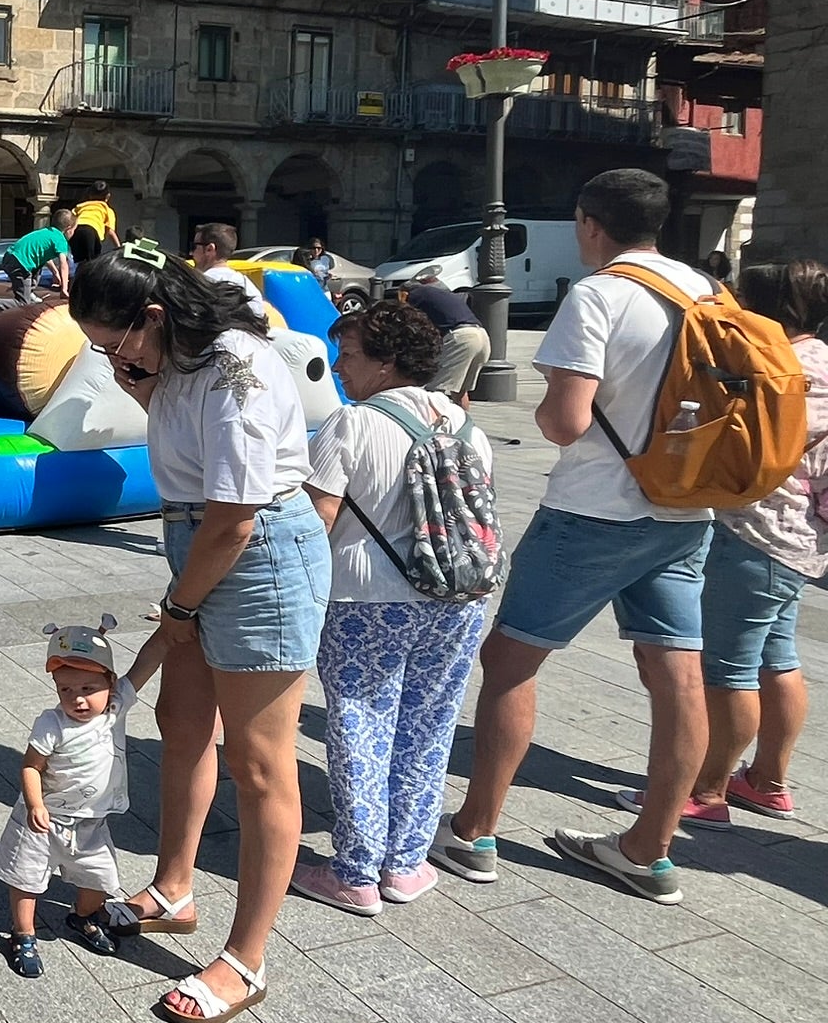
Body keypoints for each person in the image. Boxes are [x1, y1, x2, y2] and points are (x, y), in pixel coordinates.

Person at [437, 168, 715, 907]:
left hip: (597, 509)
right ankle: (649, 850)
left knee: (511, 661)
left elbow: (567, 422)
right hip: (688, 508)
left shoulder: (599, 295)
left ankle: (474, 830)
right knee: (677, 674)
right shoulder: (705, 289)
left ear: (590, 223)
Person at [68, 238, 328, 1023]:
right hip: (203, 544)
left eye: (111, 344)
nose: (108, 358)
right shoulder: (175, 361)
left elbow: (237, 517)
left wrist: (179, 612)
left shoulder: (235, 368)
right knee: (181, 724)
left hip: (257, 554)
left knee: (259, 763)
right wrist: (136, 381)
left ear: (151, 316)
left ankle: (246, 960)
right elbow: (185, 452)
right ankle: (175, 888)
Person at [294, 302, 494, 915]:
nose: (337, 369)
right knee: (428, 726)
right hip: (457, 599)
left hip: (365, 601)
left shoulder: (349, 425)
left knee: (360, 721)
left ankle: (355, 872)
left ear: (385, 362)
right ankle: (406, 864)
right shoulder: (466, 427)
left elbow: (316, 522)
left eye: (348, 355)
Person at [620, 260, 828, 827]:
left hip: (750, 532)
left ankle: (707, 791)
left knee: (726, 670)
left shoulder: (771, 364)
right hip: (801, 540)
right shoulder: (824, 363)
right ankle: (768, 780)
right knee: (777, 660)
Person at [0, 620, 161, 978]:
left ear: (110, 684)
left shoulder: (115, 709)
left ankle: (82, 917)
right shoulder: (51, 724)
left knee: (99, 878)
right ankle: (23, 933)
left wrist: (170, 631)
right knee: (27, 879)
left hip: (91, 822)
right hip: (42, 820)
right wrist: (35, 804)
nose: (77, 699)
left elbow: (145, 664)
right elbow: (30, 766)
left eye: (88, 687)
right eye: (65, 689)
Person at [404, 268, 490, 408]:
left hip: (461, 337)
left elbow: (407, 322)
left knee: (434, 390)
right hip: (481, 335)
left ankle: (430, 426)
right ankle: (463, 425)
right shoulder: (443, 295)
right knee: (460, 391)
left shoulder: (416, 294)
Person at [2, 210, 75, 306]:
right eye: (74, 230)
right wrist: (64, 289)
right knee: (23, 303)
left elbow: (43, 256)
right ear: (68, 229)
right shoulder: (60, 239)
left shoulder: (45, 232)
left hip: (10, 257)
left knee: (39, 263)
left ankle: (30, 292)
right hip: (21, 263)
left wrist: (55, 272)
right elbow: (63, 264)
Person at [189, 223, 264, 309]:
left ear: (210, 249)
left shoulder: (198, 286)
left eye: (194, 247)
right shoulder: (250, 289)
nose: (191, 253)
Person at [71, 181, 119, 265]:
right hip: (91, 231)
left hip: (76, 230)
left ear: (89, 195)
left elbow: (70, 218)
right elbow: (111, 232)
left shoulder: (81, 206)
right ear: (108, 196)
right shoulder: (107, 210)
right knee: (92, 263)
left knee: (79, 261)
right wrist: (119, 247)